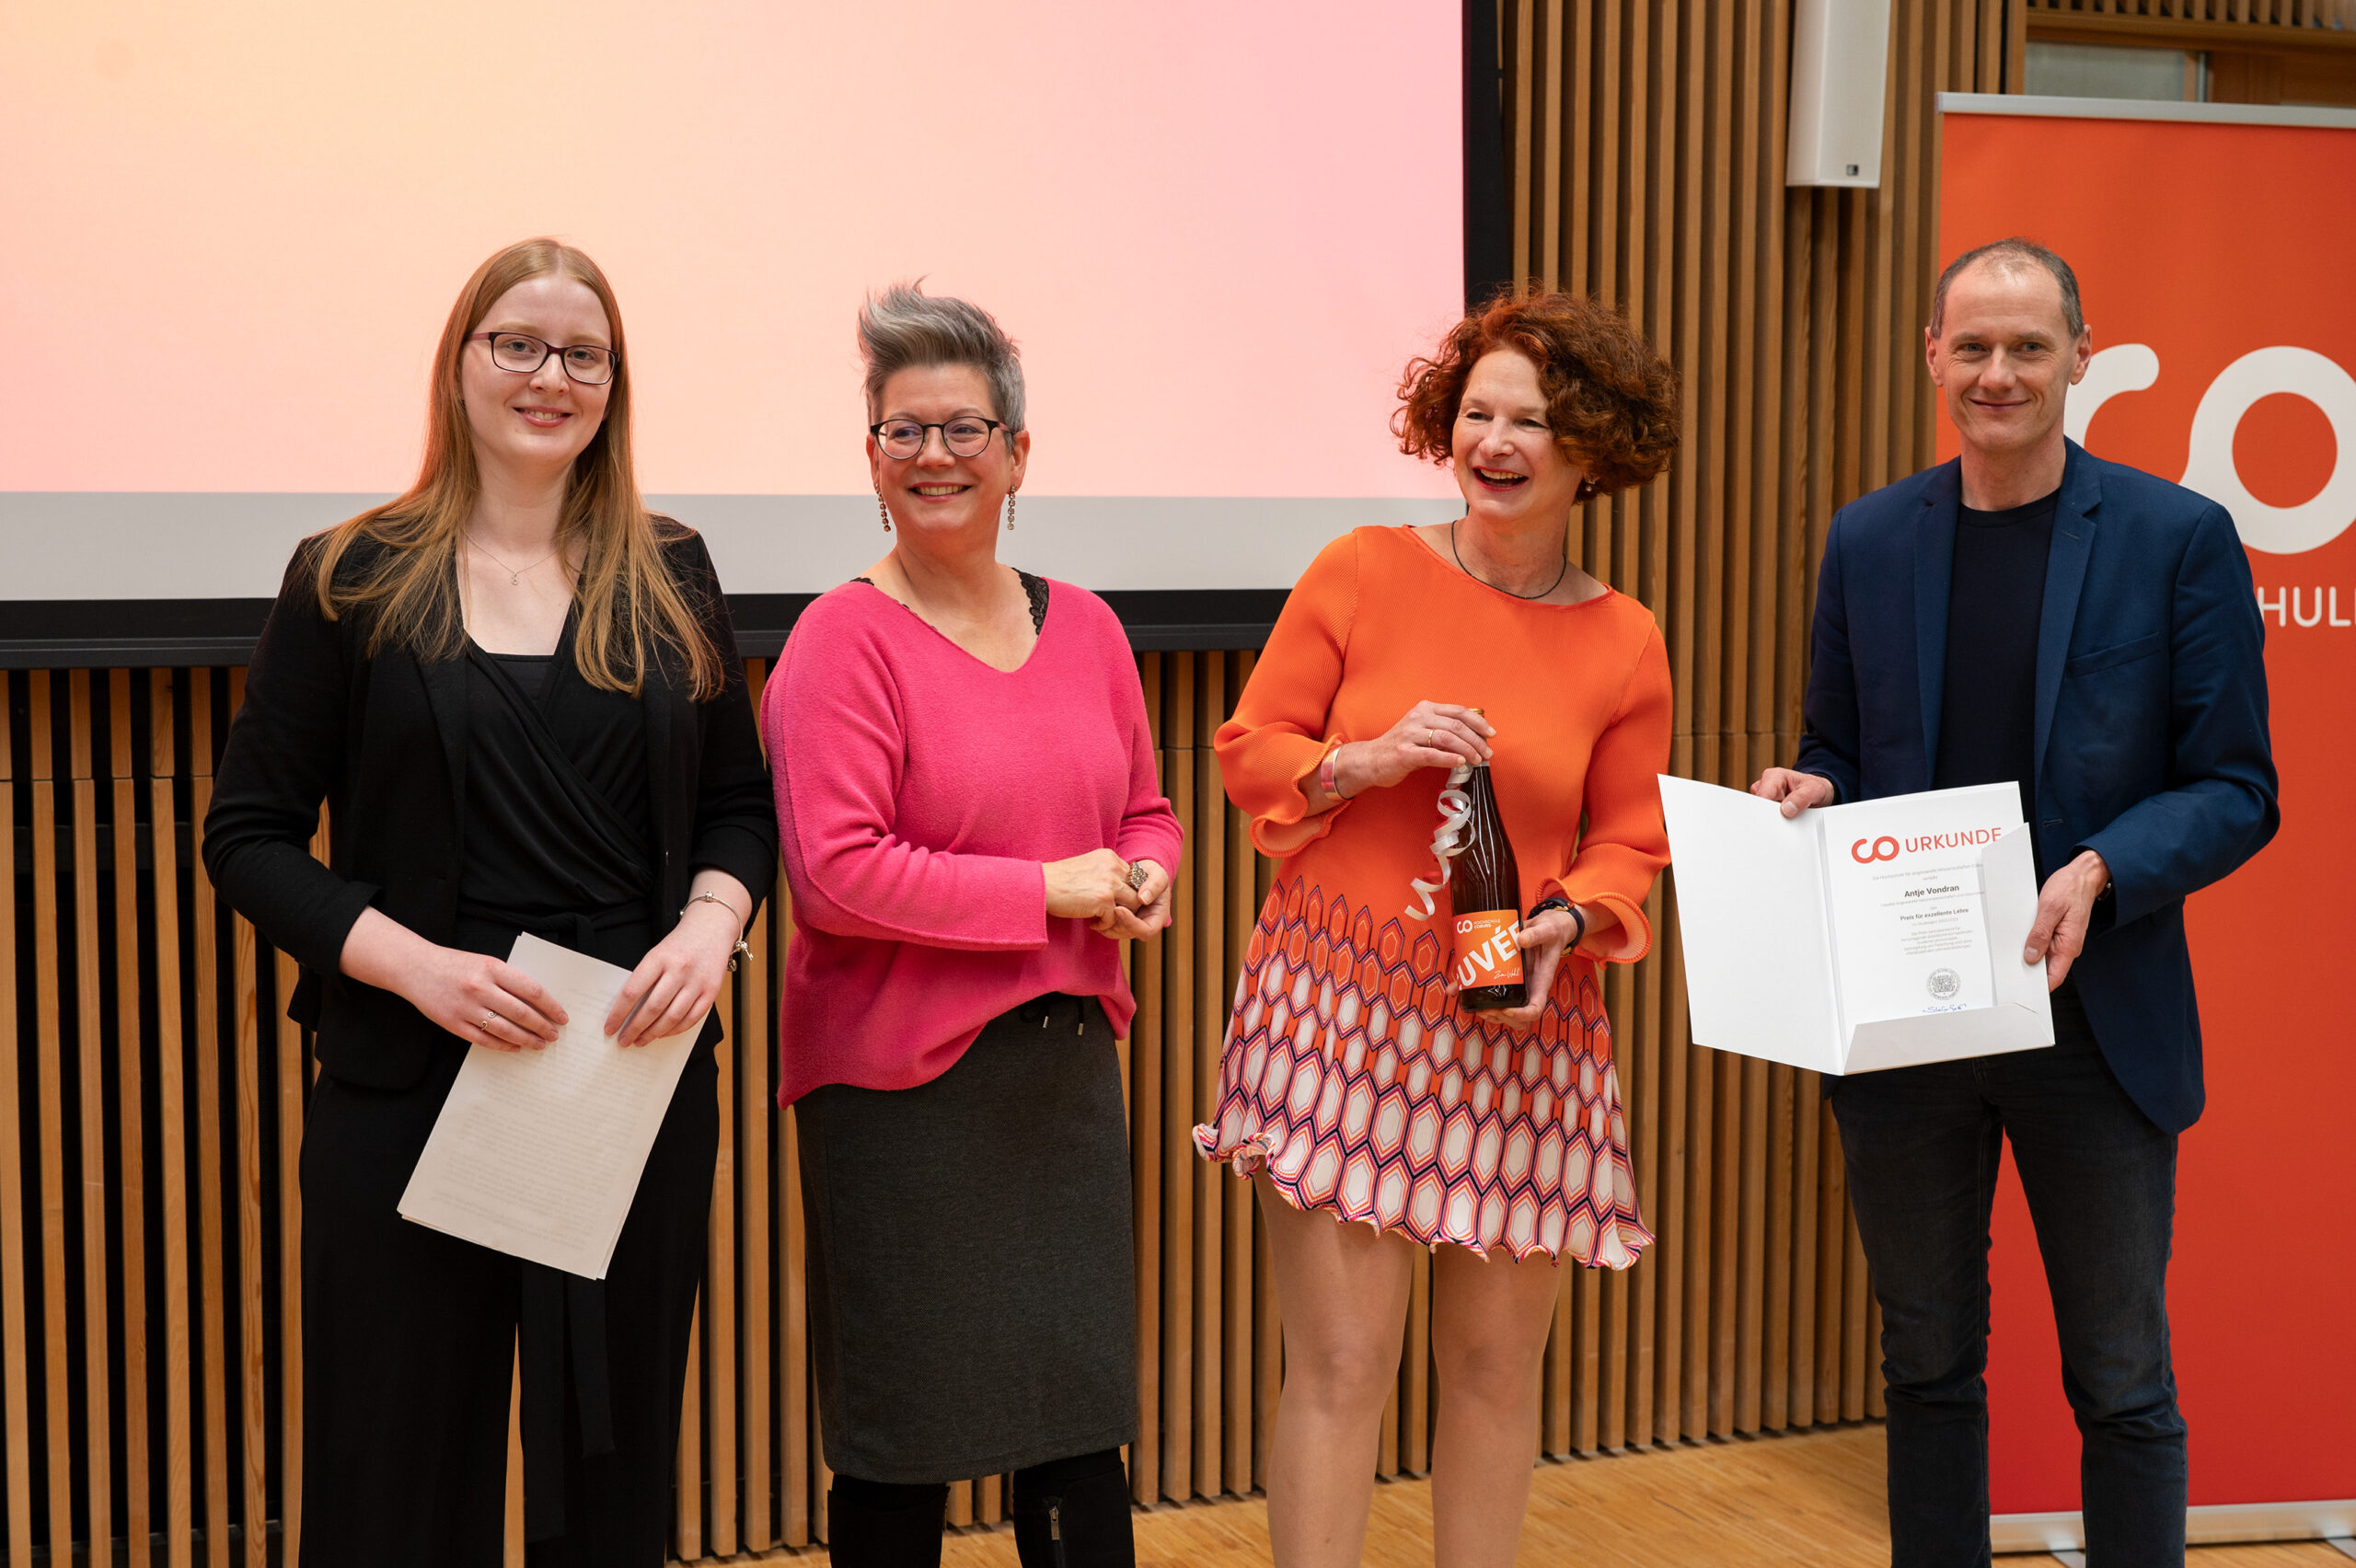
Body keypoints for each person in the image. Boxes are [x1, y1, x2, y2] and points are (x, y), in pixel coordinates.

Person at [202, 237, 776, 1566]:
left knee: (614, 1477)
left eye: (582, 353)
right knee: (392, 1481)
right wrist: (418, 969)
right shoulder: (349, 575)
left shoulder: (673, 571)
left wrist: (712, 924)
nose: (549, 376)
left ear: (612, 384)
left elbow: (739, 810)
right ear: (459, 365)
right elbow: (249, 838)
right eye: (516, 344)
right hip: (409, 1083)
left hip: (623, 1083)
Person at [1752, 238, 2277, 1566]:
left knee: (2120, 1379)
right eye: (1973, 346)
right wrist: (1809, 791)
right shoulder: (1868, 539)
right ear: (1933, 356)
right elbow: (1842, 748)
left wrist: (2103, 868)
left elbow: (2236, 787)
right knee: (1925, 1364)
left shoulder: (2176, 540)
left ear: (2079, 360)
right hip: (1909, 1025)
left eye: (2027, 347)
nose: (1999, 372)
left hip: (2094, 1026)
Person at [1195, 287, 1680, 1568]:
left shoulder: (1627, 641)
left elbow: (1631, 838)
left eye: (1533, 419)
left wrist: (1569, 923)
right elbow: (1255, 751)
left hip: (1517, 1015)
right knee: (1346, 1363)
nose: (1498, 442)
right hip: (1339, 1006)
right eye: (1477, 413)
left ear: (1591, 448)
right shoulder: (1362, 569)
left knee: (1491, 1371)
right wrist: (1364, 759)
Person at [766, 283, 1183, 1568]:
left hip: (1061, 1084)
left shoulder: (1092, 624)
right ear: (873, 462)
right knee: (905, 1447)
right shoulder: (842, 640)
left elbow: (1148, 809)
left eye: (963, 427)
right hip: (899, 1096)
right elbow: (837, 876)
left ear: (1016, 453)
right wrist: (1050, 891)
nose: (935, 454)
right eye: (904, 431)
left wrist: (1146, 873)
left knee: (1077, 1435)